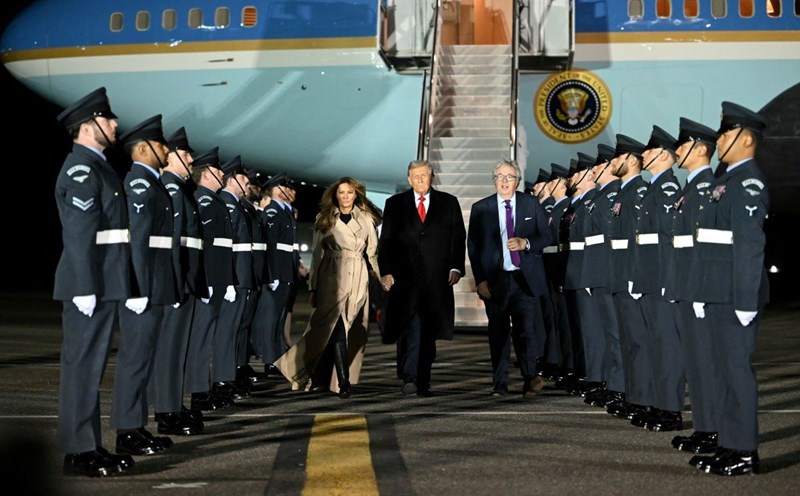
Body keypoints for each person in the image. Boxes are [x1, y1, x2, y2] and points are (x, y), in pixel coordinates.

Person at [54, 87, 136, 477]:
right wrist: (85, 285)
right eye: (108, 118)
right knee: (81, 366)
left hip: (104, 283)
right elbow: (79, 232)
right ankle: (77, 451)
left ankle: (89, 445)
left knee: (91, 367)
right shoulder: (82, 169)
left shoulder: (100, 166)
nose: (115, 124)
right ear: (88, 127)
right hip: (89, 285)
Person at [687, 102, 769, 476]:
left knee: (736, 373)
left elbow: (749, 246)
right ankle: (728, 443)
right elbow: (710, 243)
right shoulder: (724, 182)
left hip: (735, 295)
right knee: (721, 371)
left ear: (746, 139)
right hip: (717, 291)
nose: (718, 139)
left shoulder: (748, 182)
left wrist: (746, 298)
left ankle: (745, 451)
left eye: (725, 133)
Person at [274, 177, 381, 398]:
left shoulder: (366, 219)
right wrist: (313, 288)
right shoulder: (324, 219)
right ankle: (343, 382)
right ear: (335, 195)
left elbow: (372, 253)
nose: (345, 196)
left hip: (358, 279)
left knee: (347, 332)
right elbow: (316, 256)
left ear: (356, 195)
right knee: (337, 328)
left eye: (349, 192)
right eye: (341, 192)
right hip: (332, 278)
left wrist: (382, 278)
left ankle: (323, 378)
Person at [112, 114, 178, 457]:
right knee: (135, 359)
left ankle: (136, 426)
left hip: (155, 284)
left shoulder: (151, 183)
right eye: (160, 144)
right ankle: (127, 430)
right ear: (142, 149)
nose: (166, 149)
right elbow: (136, 239)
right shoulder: (139, 183)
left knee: (144, 358)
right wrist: (135, 289)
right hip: (144, 287)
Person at [378, 160, 466, 397]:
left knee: (429, 333)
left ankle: (422, 378)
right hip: (404, 282)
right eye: (415, 176)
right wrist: (385, 271)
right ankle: (409, 377)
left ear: (432, 177)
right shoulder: (394, 204)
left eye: (424, 175)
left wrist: (456, 267)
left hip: (436, 283)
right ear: (408, 179)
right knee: (409, 329)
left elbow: (458, 238)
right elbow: (385, 242)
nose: (419, 179)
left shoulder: (448, 203)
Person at [467, 159, 552, 398]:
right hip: (495, 282)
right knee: (498, 333)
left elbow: (547, 236)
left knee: (526, 331)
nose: (504, 181)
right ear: (494, 180)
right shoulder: (481, 208)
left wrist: (526, 243)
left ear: (517, 181)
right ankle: (500, 384)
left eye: (509, 177)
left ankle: (529, 377)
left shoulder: (531, 204)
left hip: (524, 280)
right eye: (500, 177)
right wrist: (480, 280)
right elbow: (473, 247)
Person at [663, 118, 718, 454]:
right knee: (695, 363)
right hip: (685, 285)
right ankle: (704, 426)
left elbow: (707, 248)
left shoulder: (706, 189)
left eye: (682, 146)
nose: (677, 152)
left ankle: (713, 428)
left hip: (698, 289)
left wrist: (698, 290)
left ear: (699, 149)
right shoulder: (690, 188)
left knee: (706, 363)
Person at [150, 126, 206, 436]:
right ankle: (166, 410)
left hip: (185, 281)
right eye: (186, 155)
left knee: (177, 350)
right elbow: (171, 243)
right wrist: (173, 283)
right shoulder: (171, 189)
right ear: (172, 158)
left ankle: (173, 404)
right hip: (177, 283)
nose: (191, 160)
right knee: (169, 350)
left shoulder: (179, 190)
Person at [628, 125, 684, 431]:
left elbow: (668, 240)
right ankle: (660, 404)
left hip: (661, 280)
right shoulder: (653, 187)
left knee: (667, 348)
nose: (644, 155)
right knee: (655, 345)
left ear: (663, 155)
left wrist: (667, 280)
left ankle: (671, 409)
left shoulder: (666, 189)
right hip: (650, 280)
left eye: (649, 150)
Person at [187, 147, 237, 412]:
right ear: (207, 174)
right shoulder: (204, 200)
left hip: (218, 279)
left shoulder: (213, 200)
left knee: (208, 336)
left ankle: (203, 387)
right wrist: (205, 279)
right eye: (218, 170)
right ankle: (198, 390)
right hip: (210, 279)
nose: (222, 174)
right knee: (201, 338)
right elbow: (204, 245)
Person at [604, 134, 650, 421]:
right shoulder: (624, 192)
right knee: (627, 341)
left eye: (619, 158)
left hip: (632, 276)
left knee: (639, 343)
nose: (614, 163)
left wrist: (634, 276)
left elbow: (639, 240)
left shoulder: (639, 192)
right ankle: (635, 395)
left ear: (631, 160)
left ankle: (643, 398)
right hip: (620, 274)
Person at [581, 143, 624, 409]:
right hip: (598, 272)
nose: (594, 170)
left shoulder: (611, 197)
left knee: (615, 334)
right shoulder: (600, 197)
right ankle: (609, 381)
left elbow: (611, 240)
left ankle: (618, 385)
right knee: (604, 332)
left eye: (598, 165)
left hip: (609, 272)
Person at [254, 172, 300, 375]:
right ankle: (270, 359)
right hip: (277, 275)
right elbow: (270, 249)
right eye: (283, 187)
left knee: (279, 319)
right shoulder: (272, 213)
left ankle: (277, 357)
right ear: (274, 190)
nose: (288, 191)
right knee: (270, 319)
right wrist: (271, 275)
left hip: (286, 273)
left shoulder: (285, 213)